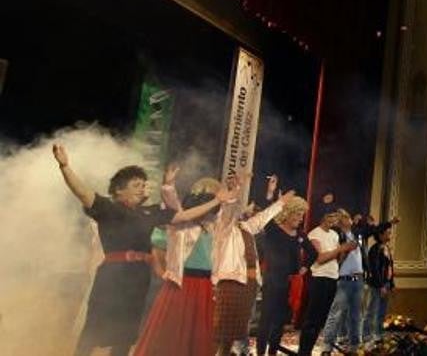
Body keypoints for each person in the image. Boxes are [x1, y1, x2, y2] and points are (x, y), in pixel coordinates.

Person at [53, 145, 230, 356]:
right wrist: (65, 166)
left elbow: (185, 216)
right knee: (94, 328)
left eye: (144, 184)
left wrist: (217, 201)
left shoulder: (150, 212)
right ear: (119, 190)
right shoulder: (108, 208)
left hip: (138, 277)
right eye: (136, 185)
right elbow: (82, 192)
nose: (142, 188)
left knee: (126, 332)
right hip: (112, 275)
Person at [133, 175, 226, 356]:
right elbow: (172, 204)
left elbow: (230, 214)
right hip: (183, 283)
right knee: (173, 331)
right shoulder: (183, 222)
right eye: (210, 199)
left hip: (204, 284)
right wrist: (168, 185)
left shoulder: (212, 225)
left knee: (197, 332)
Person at [212, 175, 296, 356]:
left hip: (248, 286)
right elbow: (229, 209)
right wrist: (235, 191)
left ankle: (235, 352)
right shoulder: (223, 228)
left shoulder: (246, 227)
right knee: (223, 334)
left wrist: (280, 202)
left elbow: (264, 217)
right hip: (230, 284)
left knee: (238, 331)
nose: (248, 211)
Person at [298, 210, 359, 356]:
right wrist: (340, 249)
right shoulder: (314, 234)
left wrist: (347, 251)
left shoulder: (334, 235)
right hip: (319, 278)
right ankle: (303, 352)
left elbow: (337, 259)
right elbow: (320, 258)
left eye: (336, 217)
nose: (334, 220)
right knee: (312, 319)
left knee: (321, 320)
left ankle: (311, 349)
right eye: (331, 216)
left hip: (332, 278)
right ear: (323, 217)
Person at [257, 194, 310, 356]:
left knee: (279, 322)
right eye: (297, 214)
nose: (300, 218)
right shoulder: (274, 230)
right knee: (266, 320)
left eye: (302, 215)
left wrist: (304, 267)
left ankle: (272, 352)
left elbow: (313, 253)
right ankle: (260, 353)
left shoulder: (300, 235)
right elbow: (266, 214)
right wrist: (270, 195)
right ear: (288, 213)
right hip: (272, 281)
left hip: (288, 284)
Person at [321, 209, 367, 352]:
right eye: (345, 217)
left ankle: (354, 345)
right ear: (341, 222)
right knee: (336, 313)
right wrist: (345, 250)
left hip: (358, 279)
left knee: (356, 314)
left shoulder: (357, 235)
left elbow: (362, 252)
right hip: (344, 279)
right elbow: (337, 258)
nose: (348, 219)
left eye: (347, 217)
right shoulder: (337, 236)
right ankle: (327, 345)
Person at [364, 224, 396, 344]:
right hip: (378, 285)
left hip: (386, 284)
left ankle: (378, 333)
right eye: (387, 233)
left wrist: (391, 283)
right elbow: (375, 269)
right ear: (380, 235)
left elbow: (390, 267)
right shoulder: (375, 249)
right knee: (372, 309)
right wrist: (381, 285)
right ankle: (366, 334)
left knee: (382, 310)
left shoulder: (386, 247)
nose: (390, 235)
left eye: (390, 232)